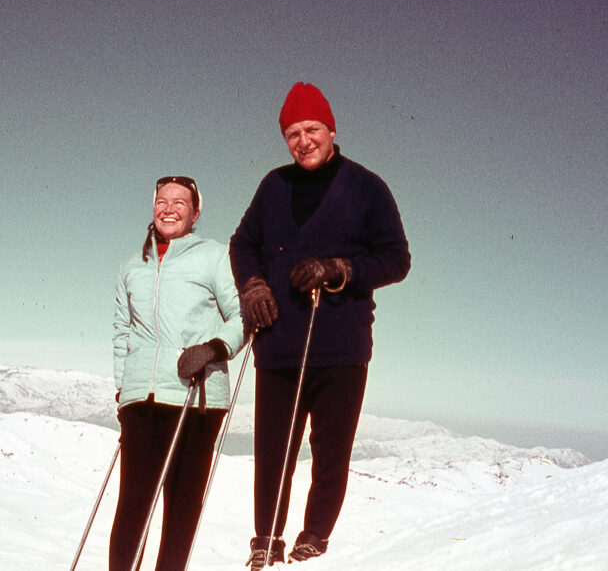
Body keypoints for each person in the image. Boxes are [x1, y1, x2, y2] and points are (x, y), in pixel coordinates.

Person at [230, 82, 411, 568]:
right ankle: (266, 541)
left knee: (330, 452)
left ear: (332, 130)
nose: (303, 141)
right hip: (279, 343)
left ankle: (314, 540)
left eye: (311, 129)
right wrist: (252, 287)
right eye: (292, 133)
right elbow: (243, 244)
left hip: (342, 346)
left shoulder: (366, 187)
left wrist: (342, 270)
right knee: (274, 452)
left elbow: (396, 259)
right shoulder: (274, 186)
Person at [110, 175, 245, 571]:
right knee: (132, 503)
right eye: (162, 200)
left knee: (182, 506)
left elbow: (240, 315)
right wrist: (124, 388)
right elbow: (122, 331)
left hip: (195, 396)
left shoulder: (215, 255)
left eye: (180, 202)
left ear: (196, 212)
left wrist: (214, 348)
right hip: (142, 399)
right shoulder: (132, 265)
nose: (169, 208)